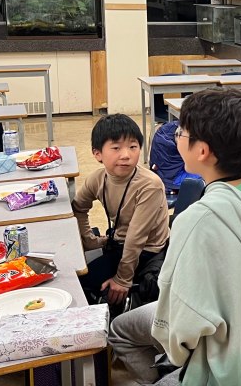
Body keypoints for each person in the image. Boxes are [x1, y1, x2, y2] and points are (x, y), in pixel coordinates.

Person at [108, 88, 241, 385]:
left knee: (122, 332)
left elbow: (178, 335)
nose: (176, 137)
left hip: (222, 375)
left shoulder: (197, 222)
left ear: (202, 151)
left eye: (182, 132)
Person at [73, 114, 170, 309]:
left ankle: (114, 318)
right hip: (119, 243)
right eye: (116, 148)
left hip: (147, 251)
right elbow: (78, 207)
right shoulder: (98, 178)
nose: (126, 155)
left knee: (82, 285)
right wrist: (89, 240)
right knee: (78, 276)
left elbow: (136, 237)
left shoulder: (149, 185)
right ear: (98, 154)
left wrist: (123, 279)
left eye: (133, 147)